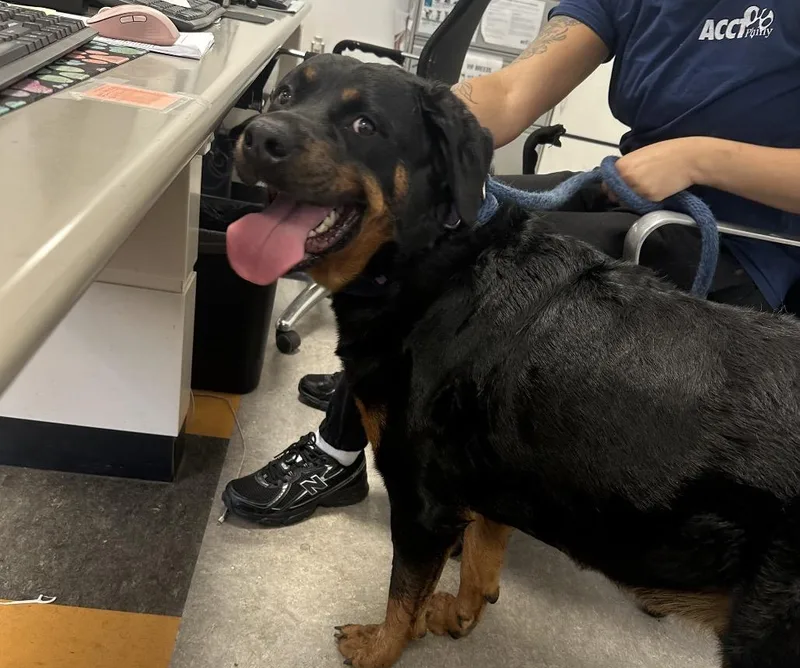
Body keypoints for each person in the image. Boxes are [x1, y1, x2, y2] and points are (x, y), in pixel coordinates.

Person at [222, 1, 800, 526]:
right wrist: (412, 116)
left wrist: (702, 158)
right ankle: (390, 389)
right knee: (434, 221)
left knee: (463, 265)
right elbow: (512, 91)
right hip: (631, 189)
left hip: (735, 236)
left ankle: (340, 445)